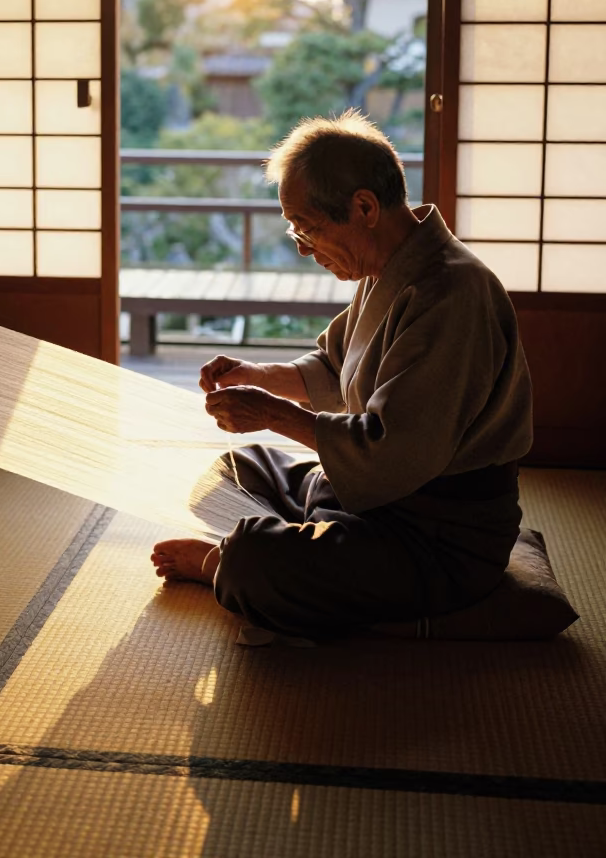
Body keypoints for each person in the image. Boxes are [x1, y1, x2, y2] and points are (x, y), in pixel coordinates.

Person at [151, 111, 533, 639]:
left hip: (435, 536)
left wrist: (272, 414)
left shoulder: (452, 292)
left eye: (307, 227)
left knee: (253, 561)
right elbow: (333, 368)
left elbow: (394, 450)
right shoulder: (386, 269)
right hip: (365, 499)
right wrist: (256, 375)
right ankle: (301, 538)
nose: (302, 246)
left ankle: (223, 564)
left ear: (364, 208)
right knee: (242, 468)